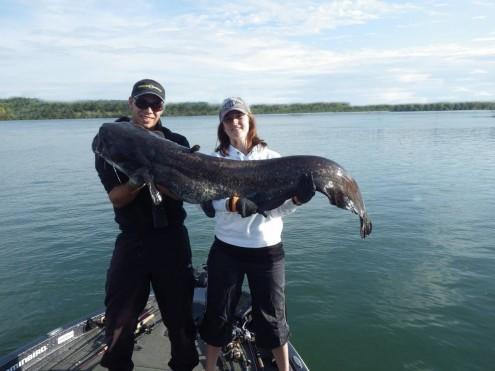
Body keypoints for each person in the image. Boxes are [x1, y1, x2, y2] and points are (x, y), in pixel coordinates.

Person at [199, 97, 316, 371]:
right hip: (227, 250)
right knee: (218, 315)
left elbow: (275, 211)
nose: (234, 122)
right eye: (228, 118)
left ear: (250, 119)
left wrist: (297, 200)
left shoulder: (273, 159)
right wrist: (233, 203)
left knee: (274, 318)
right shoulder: (215, 161)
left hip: (267, 251)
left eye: (239, 116)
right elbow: (206, 201)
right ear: (222, 125)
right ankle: (209, 368)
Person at [94, 79, 199, 371]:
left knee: (180, 317)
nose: (149, 109)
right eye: (143, 103)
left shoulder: (177, 143)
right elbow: (116, 198)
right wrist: (138, 179)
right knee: (119, 318)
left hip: (172, 239)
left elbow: (184, 193)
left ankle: (184, 365)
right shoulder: (111, 139)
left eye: (156, 104)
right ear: (131, 103)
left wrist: (159, 177)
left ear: (163, 108)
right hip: (133, 240)